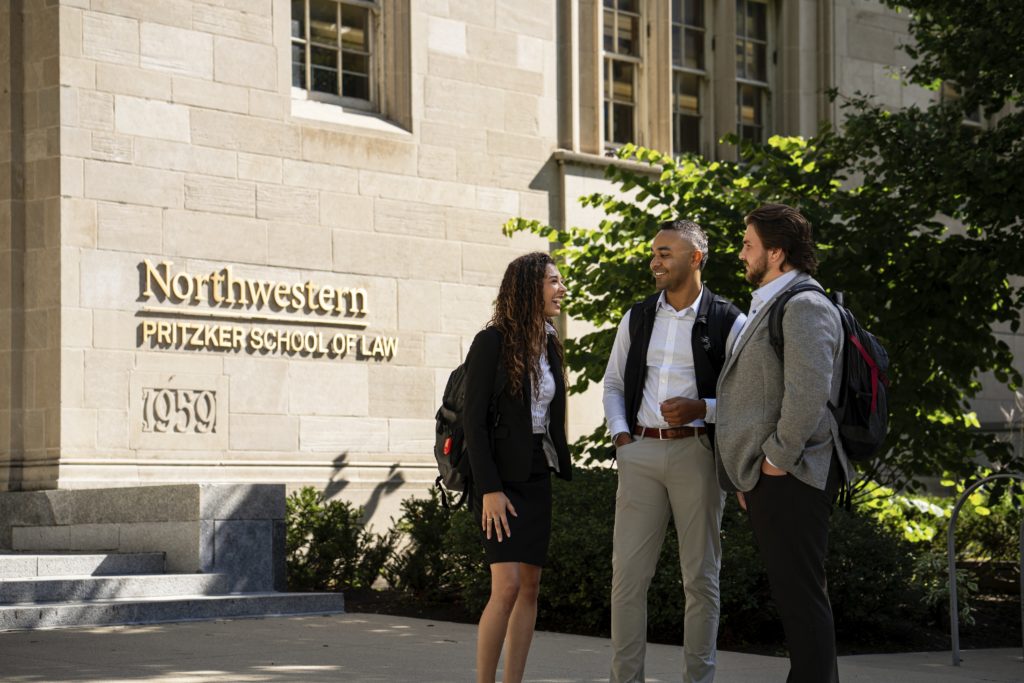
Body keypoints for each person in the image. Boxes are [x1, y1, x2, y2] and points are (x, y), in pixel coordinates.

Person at [603, 220, 744, 683]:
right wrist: (623, 437)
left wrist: (702, 408)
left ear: (695, 258)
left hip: (698, 454)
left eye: (665, 253)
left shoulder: (730, 320)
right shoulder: (638, 315)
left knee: (700, 580)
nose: (655, 262)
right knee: (627, 580)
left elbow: (751, 399)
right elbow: (615, 384)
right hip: (640, 451)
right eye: (654, 253)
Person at [715, 203, 850, 683]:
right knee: (796, 598)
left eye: (748, 245)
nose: (741, 253)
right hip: (773, 476)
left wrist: (775, 459)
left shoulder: (806, 305)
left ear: (776, 253)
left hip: (794, 473)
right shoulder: (775, 303)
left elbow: (808, 395)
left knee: (802, 599)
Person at [463, 251, 573, 683]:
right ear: (529, 287)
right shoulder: (491, 342)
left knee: (529, 586)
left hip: (536, 472)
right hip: (497, 479)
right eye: (553, 281)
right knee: (505, 585)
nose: (561, 289)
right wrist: (489, 488)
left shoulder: (549, 343)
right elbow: (474, 421)